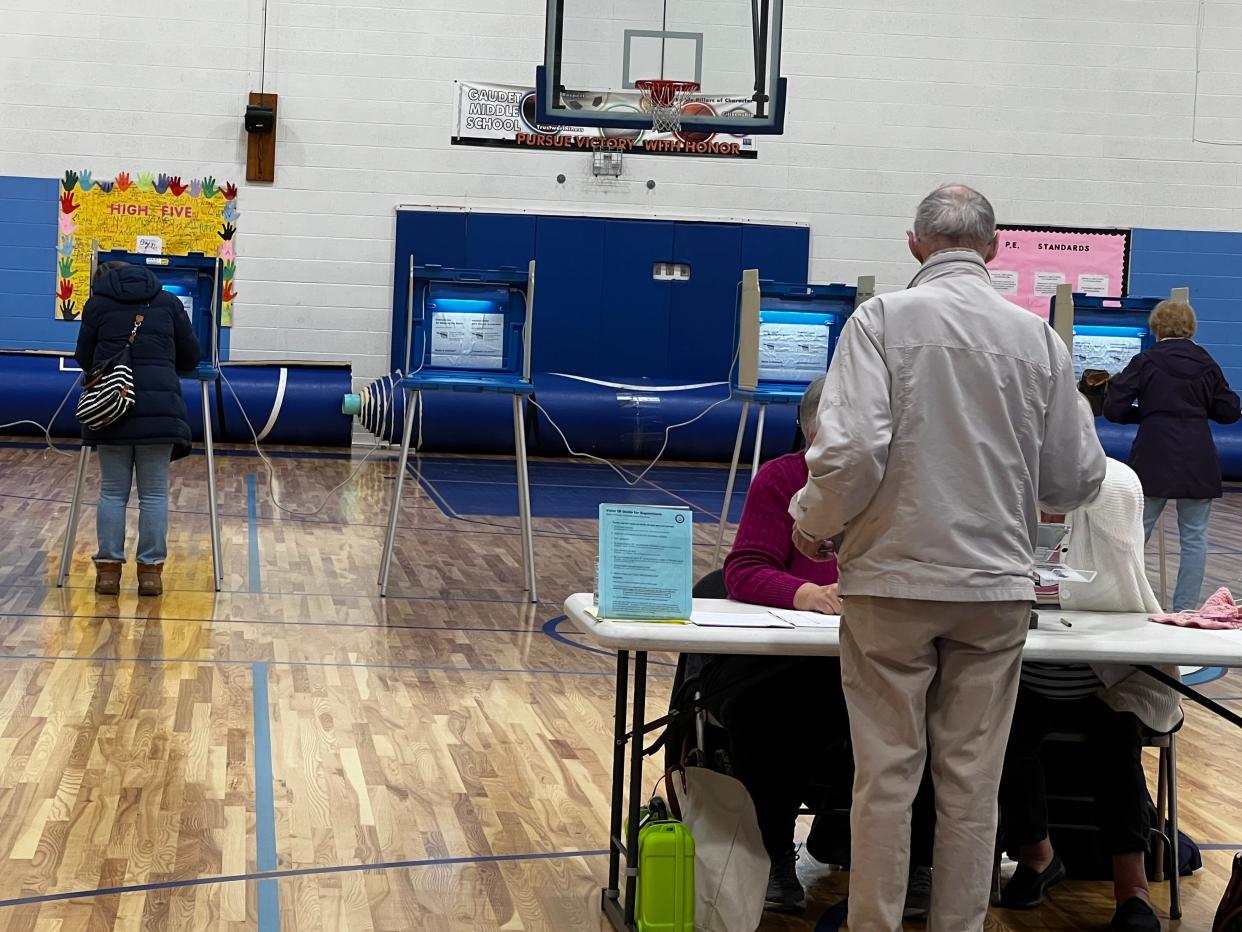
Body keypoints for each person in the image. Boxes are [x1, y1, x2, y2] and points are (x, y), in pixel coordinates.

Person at [790, 184, 1107, 931]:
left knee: (886, 777)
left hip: (891, 579)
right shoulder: (1039, 340)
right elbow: (1077, 477)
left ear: (914, 245)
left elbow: (853, 451)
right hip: (994, 586)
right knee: (972, 782)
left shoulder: (880, 321)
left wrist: (811, 524)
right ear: (994, 250)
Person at [699, 376, 936, 917]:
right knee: (764, 712)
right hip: (796, 665)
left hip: (877, 658)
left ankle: (915, 865)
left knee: (929, 714)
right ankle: (774, 856)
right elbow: (744, 570)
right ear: (812, 431)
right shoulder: (783, 479)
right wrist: (805, 591)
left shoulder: (900, 483)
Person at [999, 454, 1183, 932]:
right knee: (998, 729)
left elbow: (1111, 491)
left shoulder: (1115, 483)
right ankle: (1038, 856)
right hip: (1028, 676)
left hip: (1114, 679)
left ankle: (1134, 890)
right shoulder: (1001, 480)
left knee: (1115, 733)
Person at [1103, 300, 1240, 611]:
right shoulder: (1207, 363)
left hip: (1153, 452)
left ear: (1157, 328)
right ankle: (1186, 609)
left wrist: (1145, 416)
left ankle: (1129, 603)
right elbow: (1229, 411)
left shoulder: (1146, 361)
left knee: (1137, 532)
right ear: (1191, 328)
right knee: (1194, 538)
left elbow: (1113, 408)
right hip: (1199, 454)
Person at [75, 261, 202, 596]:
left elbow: (84, 358)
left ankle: (108, 573)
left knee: (113, 493)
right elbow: (191, 357)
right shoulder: (170, 303)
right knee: (155, 495)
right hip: (159, 411)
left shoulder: (97, 304)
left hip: (112, 407)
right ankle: (150, 573)